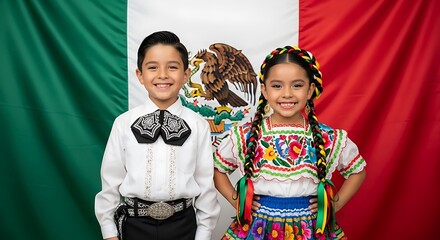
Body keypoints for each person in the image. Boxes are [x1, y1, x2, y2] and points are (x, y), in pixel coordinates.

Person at [213, 46, 366, 239]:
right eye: (277, 86)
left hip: (311, 228)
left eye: (297, 85)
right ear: (264, 90)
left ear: (310, 89)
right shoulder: (245, 135)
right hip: (258, 228)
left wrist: (336, 203)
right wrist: (238, 201)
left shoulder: (327, 137)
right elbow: (217, 170)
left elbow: (357, 172)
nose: (287, 94)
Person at [95, 31, 220, 240]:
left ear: (186, 74)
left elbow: (205, 185)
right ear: (140, 75)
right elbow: (110, 182)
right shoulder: (123, 124)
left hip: (184, 225)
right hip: (134, 225)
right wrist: (109, 232)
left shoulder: (198, 125)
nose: (163, 75)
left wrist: (204, 233)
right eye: (153, 67)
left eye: (172, 67)